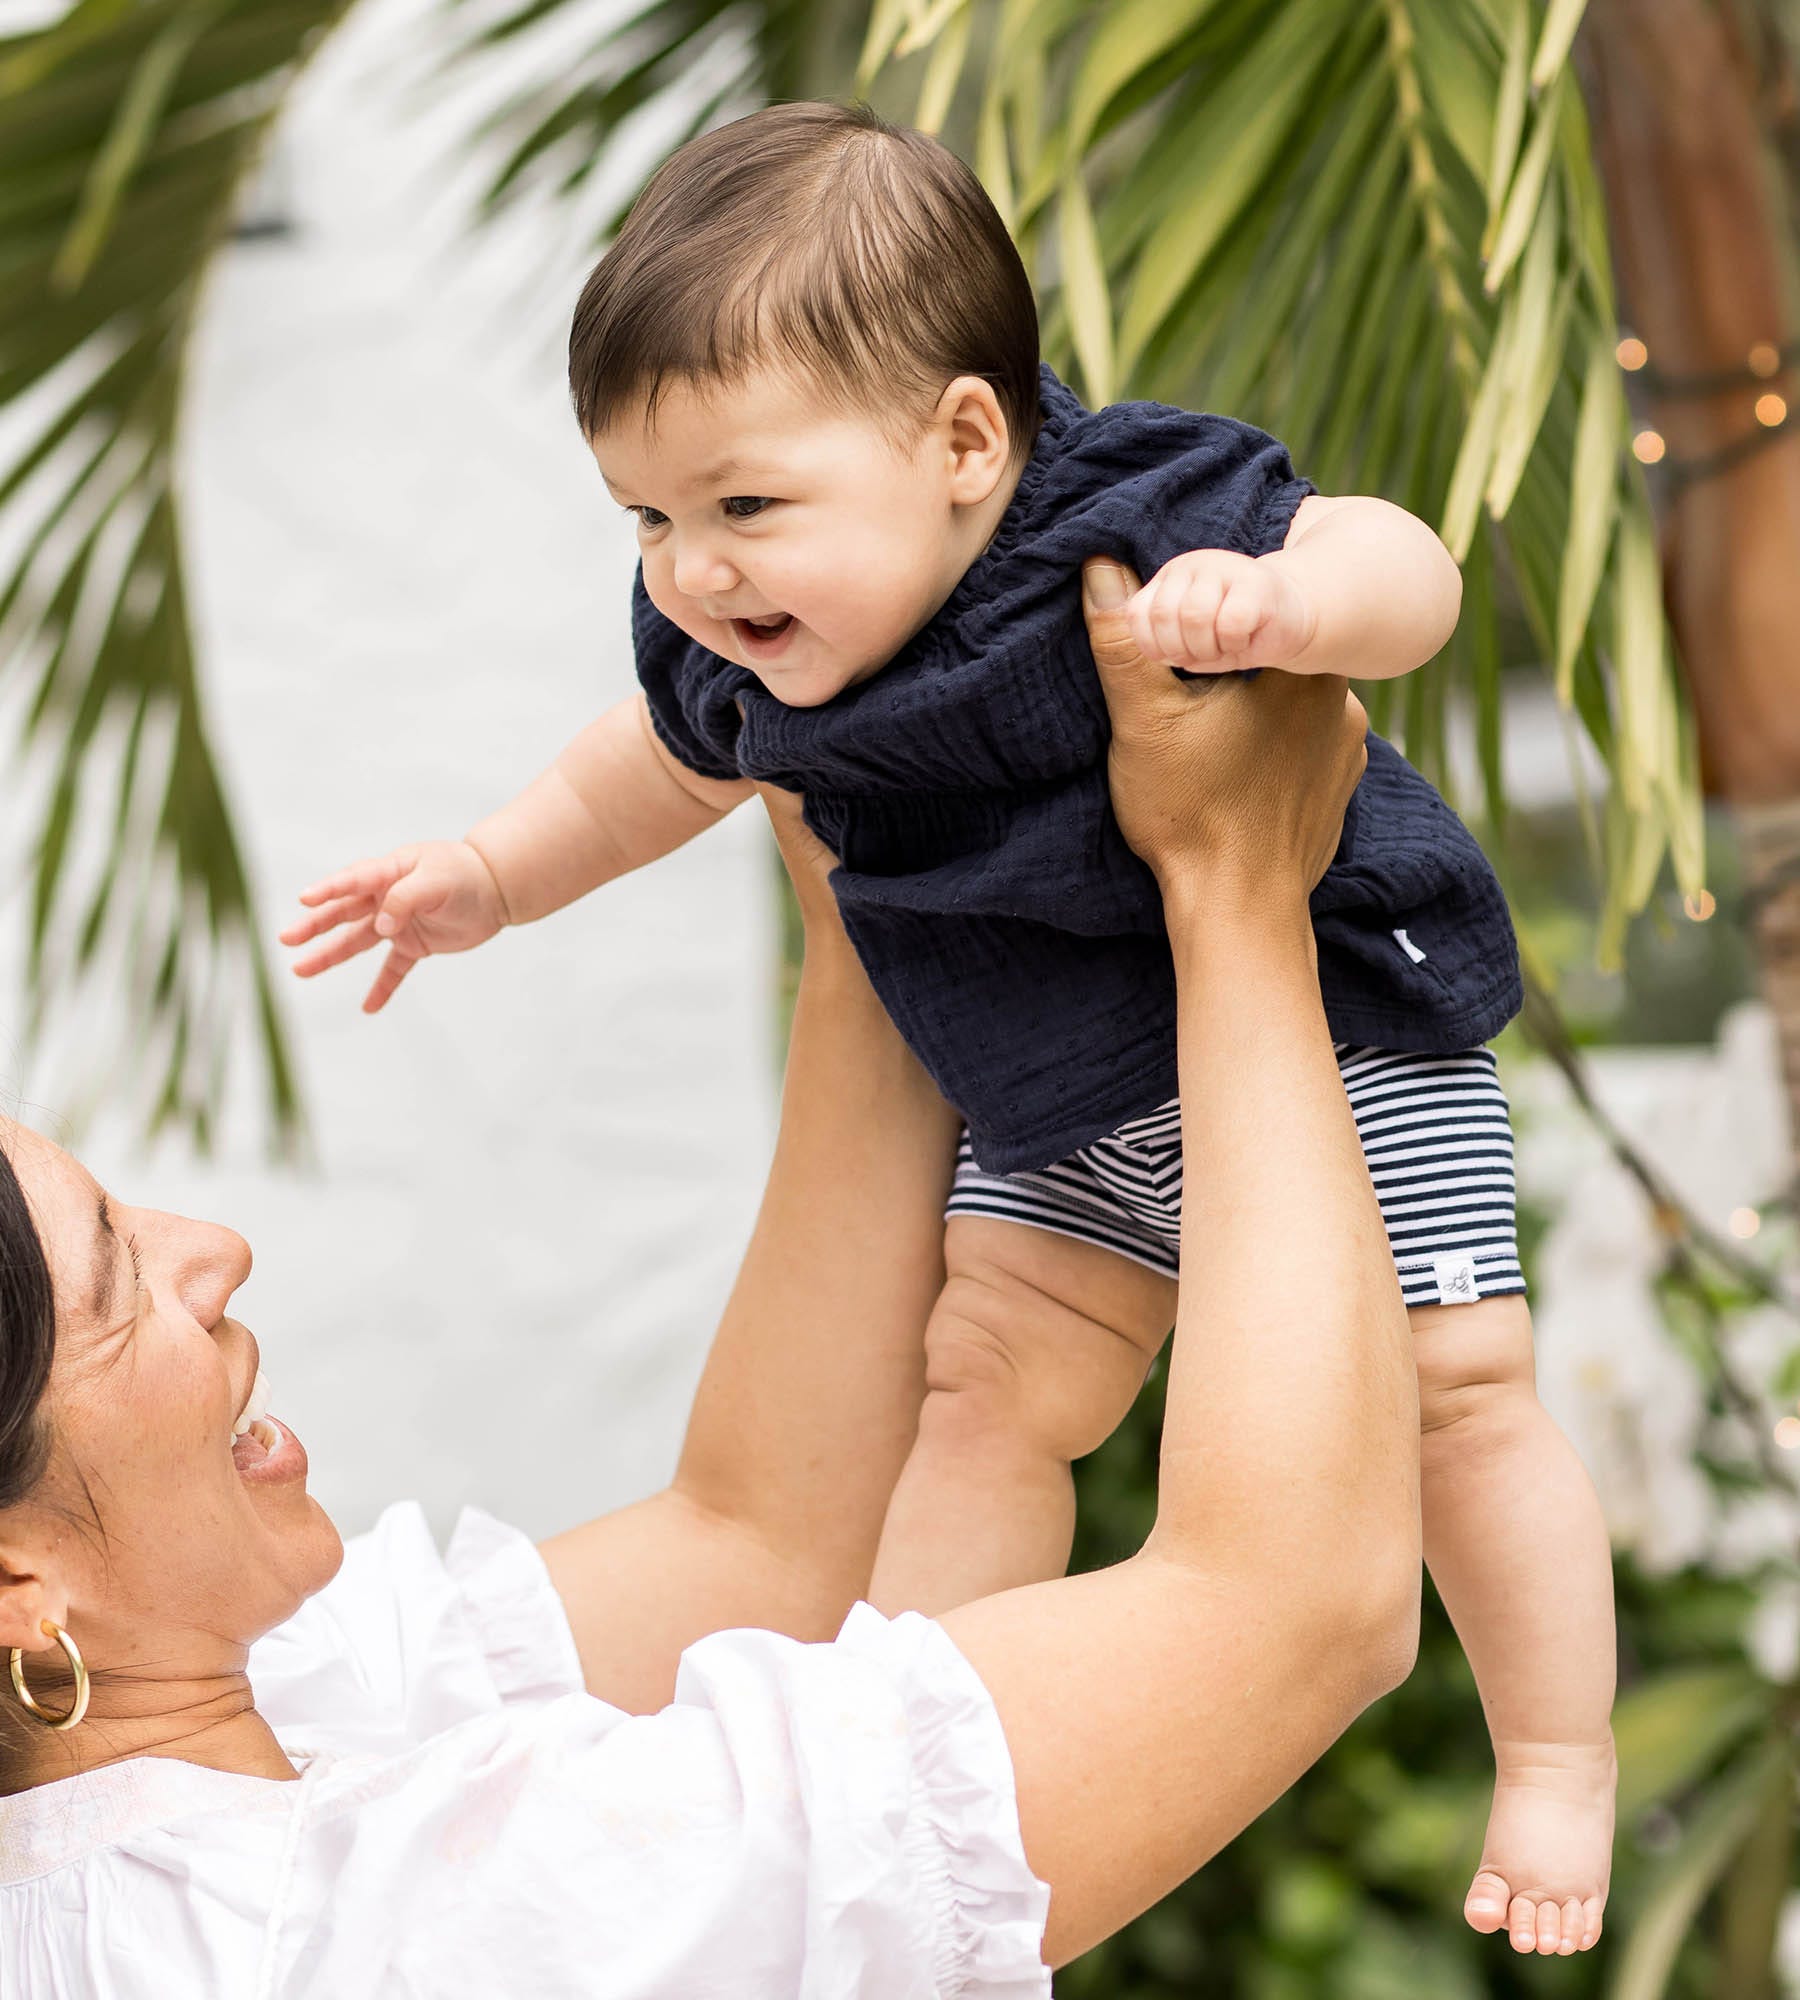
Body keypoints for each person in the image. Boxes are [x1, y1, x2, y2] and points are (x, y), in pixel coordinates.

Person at [280, 102, 1615, 1947]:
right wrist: (494, 876)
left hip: (1338, 1032)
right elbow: (646, 774)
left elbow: (1415, 572)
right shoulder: (738, 646)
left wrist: (1292, 599)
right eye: (649, 518)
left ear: (966, 440)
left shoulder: (1132, 515)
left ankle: (1556, 1759)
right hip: (1056, 1092)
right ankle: (909, 1736)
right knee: (981, 1395)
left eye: (744, 505)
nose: (690, 572)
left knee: (1458, 1401)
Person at [0, 602, 1444, 1992]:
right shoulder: (390, 1937)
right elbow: (1295, 1600)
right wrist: (1234, 880)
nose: (216, 1250)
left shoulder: (225, 1730)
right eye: (120, 1282)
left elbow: (765, 1543)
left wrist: (852, 803)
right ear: (21, 1589)